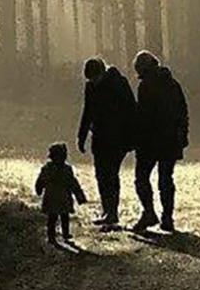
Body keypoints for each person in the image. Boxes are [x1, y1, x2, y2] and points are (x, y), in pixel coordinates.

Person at [132, 50, 189, 233]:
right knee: (166, 179)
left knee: (142, 177)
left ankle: (149, 212)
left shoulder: (146, 86)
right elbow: (182, 111)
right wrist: (182, 135)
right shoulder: (173, 84)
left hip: (150, 141)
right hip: (171, 139)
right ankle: (167, 217)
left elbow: (143, 116)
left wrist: (137, 138)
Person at [77, 56, 137, 229]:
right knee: (101, 174)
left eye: (95, 78)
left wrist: (131, 138)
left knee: (110, 174)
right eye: (90, 79)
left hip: (117, 138)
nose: (93, 82)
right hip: (100, 137)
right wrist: (81, 136)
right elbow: (87, 111)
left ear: (102, 72)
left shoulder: (118, 83)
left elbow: (131, 110)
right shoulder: (91, 86)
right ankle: (108, 211)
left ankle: (111, 212)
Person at [35, 142, 87, 246]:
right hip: (58, 197)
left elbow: (73, 183)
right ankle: (53, 235)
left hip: (57, 197)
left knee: (62, 217)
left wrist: (79, 195)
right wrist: (39, 188)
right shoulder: (53, 169)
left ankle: (63, 234)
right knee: (54, 218)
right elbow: (41, 180)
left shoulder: (52, 169)